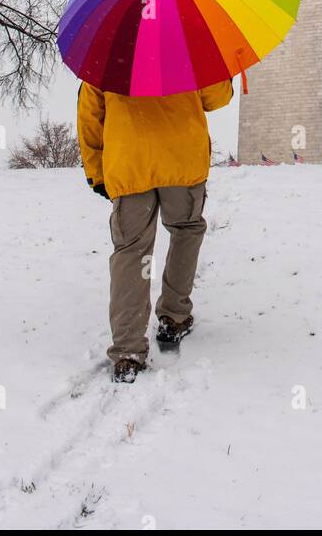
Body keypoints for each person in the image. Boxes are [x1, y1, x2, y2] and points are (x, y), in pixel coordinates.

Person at [77, 78, 234, 383]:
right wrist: (225, 75)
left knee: (131, 251)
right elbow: (216, 98)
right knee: (185, 231)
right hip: (182, 161)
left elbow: (89, 116)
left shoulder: (108, 54)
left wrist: (96, 171)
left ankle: (127, 351)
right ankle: (173, 318)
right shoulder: (189, 45)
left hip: (129, 164)